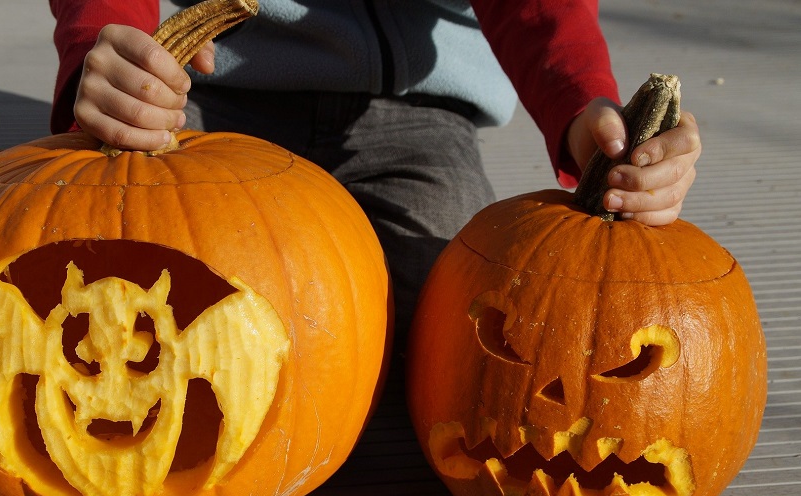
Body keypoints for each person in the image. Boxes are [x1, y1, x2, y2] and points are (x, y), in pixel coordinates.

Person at [48, 0, 701, 365]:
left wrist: (585, 107)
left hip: (413, 112)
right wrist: (104, 58)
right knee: (126, 285)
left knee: (466, 344)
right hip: (214, 91)